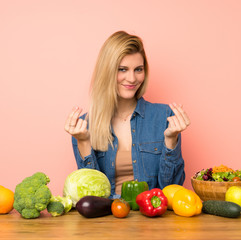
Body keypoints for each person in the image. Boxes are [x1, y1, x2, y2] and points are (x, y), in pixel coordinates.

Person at [64, 31, 190, 198]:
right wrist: (83, 142)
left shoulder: (164, 117)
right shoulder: (84, 126)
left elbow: (171, 190)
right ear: (107, 72)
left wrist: (171, 141)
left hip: (150, 217)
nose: (132, 78)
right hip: (107, 217)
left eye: (138, 69)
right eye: (122, 69)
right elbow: (92, 196)